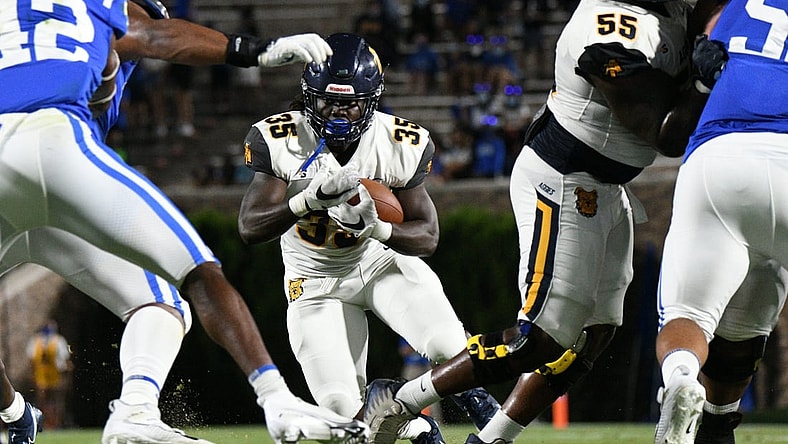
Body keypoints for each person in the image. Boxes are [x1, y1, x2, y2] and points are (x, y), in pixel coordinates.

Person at [0, 1, 369, 443]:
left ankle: (17, 413)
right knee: (187, 280)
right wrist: (255, 50)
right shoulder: (97, 8)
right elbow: (159, 36)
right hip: (56, 148)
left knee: (160, 300)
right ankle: (271, 397)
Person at [359, 0, 723, 441]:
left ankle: (491, 439)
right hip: (565, 178)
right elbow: (665, 134)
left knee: (594, 334)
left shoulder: (671, 12)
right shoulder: (605, 27)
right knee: (541, 339)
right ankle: (400, 400)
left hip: (609, 185)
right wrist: (702, 84)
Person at [237, 32, 501, 443]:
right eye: (329, 101)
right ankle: (416, 426)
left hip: (377, 263)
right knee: (344, 418)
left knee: (449, 345)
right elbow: (250, 227)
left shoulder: (398, 142)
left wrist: (377, 228)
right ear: (309, 96)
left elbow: (427, 235)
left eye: (350, 102)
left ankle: (488, 418)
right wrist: (307, 200)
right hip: (313, 285)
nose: (339, 113)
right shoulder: (281, 138)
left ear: (371, 99)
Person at [653, 0, 788, 441]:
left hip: (719, 157)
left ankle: (680, 380)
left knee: (687, 314)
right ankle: (718, 420)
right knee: (747, 328)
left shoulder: (733, 10)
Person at [27, 321, 72, 430]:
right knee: (52, 401)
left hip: (48, 376)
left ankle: (52, 424)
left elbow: (31, 360)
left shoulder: (36, 341)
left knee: (49, 401)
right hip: (47, 376)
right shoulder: (57, 340)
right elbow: (65, 361)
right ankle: (49, 424)